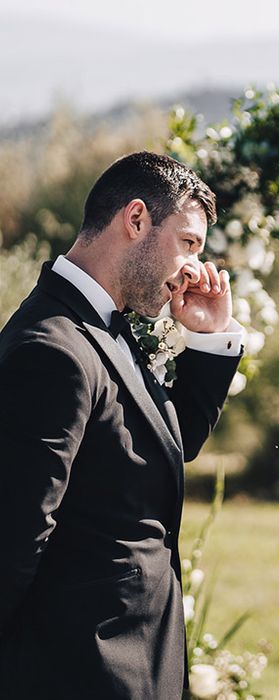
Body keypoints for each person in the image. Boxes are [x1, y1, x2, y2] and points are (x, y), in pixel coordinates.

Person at [0, 151, 243, 699]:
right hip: (83, 671)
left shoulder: (107, 327)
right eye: (189, 243)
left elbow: (166, 444)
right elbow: (14, 538)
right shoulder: (51, 349)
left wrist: (208, 338)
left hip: (135, 667)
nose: (193, 269)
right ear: (135, 220)